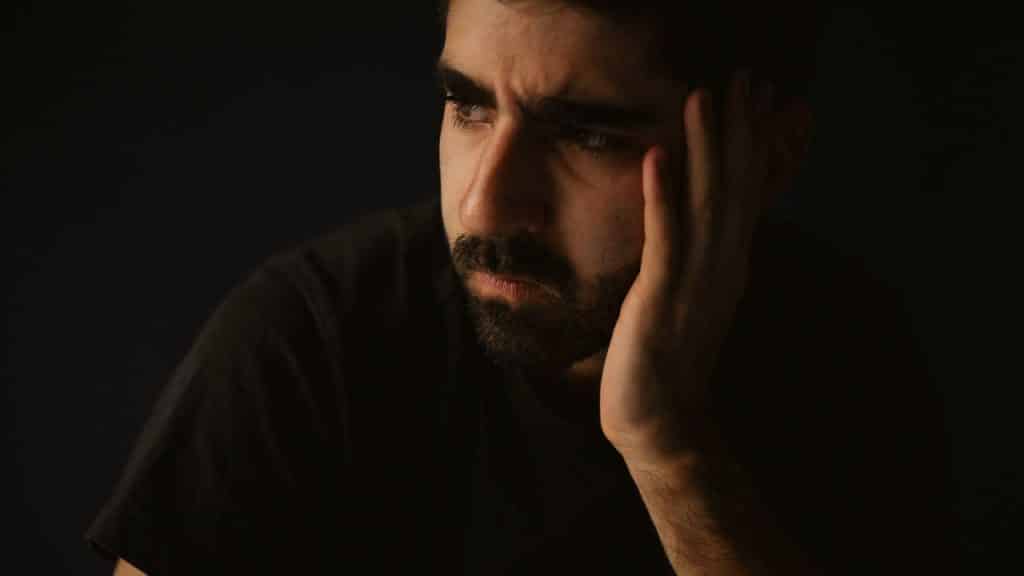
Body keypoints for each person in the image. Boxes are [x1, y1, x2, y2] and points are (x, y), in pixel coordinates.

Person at [86, 1, 959, 574]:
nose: (485, 203)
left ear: (765, 155)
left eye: (586, 134)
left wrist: (667, 447)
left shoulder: (847, 357)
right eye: (468, 107)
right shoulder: (319, 337)